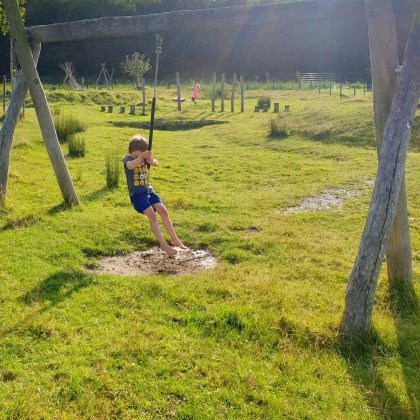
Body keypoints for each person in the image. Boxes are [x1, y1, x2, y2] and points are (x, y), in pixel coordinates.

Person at [123, 134, 187, 256]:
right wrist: (141, 157)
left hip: (149, 191)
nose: (140, 158)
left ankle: (174, 239)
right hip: (137, 195)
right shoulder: (128, 159)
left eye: (142, 155)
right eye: (137, 155)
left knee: (163, 210)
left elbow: (156, 163)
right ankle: (163, 245)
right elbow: (130, 166)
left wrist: (151, 161)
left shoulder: (143, 158)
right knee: (152, 215)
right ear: (131, 152)